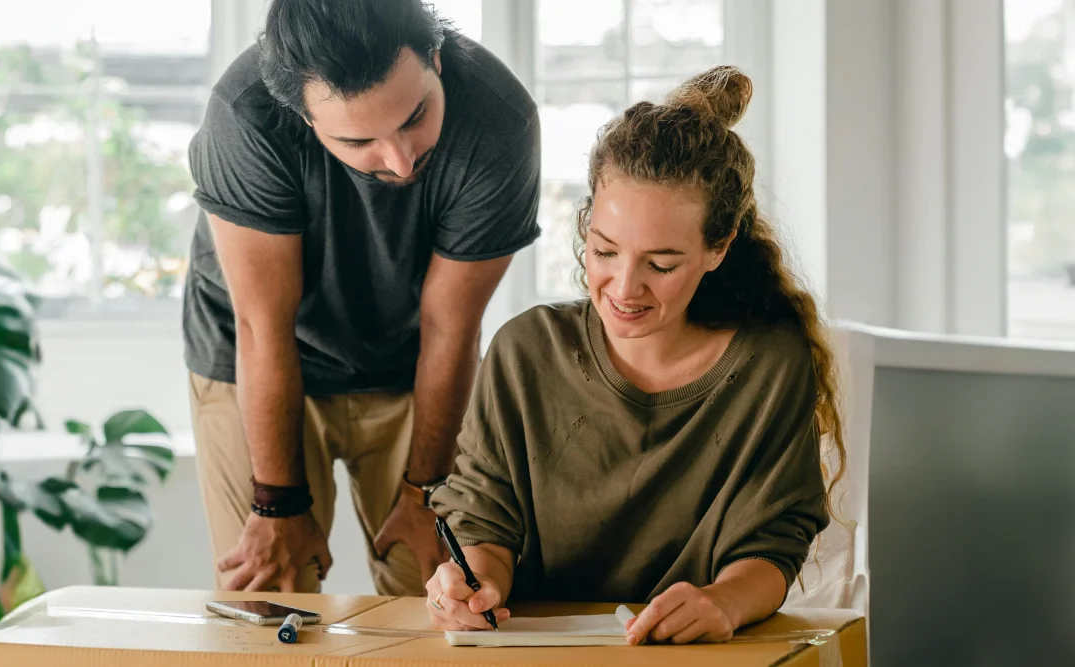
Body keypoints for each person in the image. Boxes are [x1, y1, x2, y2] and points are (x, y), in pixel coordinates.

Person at [424, 65, 847, 645]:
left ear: (718, 248)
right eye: (604, 251)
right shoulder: (525, 352)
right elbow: (484, 519)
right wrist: (476, 583)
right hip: (538, 653)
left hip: (696, 656)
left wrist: (723, 602)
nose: (623, 288)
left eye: (662, 264)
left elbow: (773, 541)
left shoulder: (769, 365)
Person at [182, 0, 540, 596]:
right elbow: (262, 326)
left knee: (438, 597)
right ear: (303, 117)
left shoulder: (500, 120)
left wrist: (426, 492)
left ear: (434, 57)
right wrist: (276, 506)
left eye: (414, 116)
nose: (399, 160)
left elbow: (451, 326)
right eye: (359, 140)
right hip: (260, 355)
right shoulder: (244, 116)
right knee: (272, 599)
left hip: (416, 358)